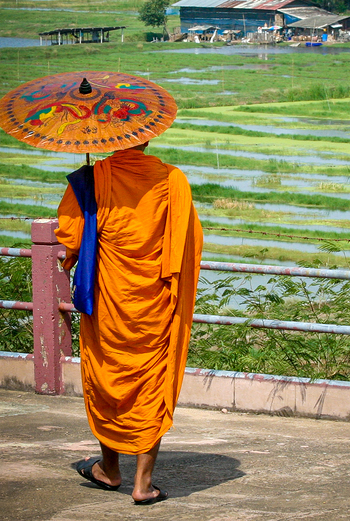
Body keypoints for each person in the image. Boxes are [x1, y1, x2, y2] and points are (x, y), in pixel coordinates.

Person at [55, 142, 203, 505]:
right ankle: (143, 484)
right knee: (152, 383)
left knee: (108, 379)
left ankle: (109, 469)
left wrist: (91, 195)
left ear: (109, 140)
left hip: (108, 304)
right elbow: (189, 240)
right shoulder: (172, 181)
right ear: (146, 137)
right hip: (156, 304)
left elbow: (69, 239)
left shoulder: (95, 178)